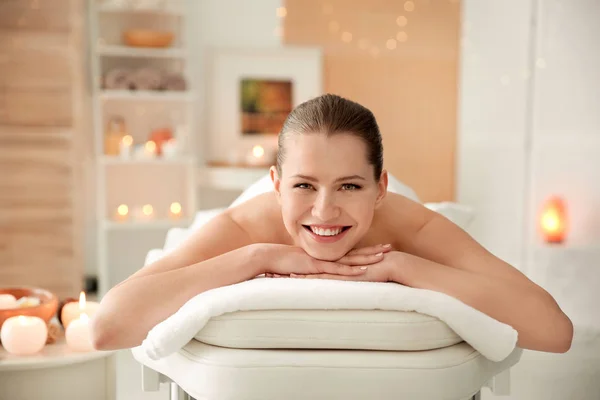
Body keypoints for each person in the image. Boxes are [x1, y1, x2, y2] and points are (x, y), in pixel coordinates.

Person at [91, 94, 573, 353]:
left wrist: (402, 267)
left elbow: (554, 330)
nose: (324, 211)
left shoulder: (411, 226)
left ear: (381, 187)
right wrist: (258, 257)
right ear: (276, 184)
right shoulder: (247, 226)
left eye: (349, 186)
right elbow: (106, 327)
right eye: (304, 186)